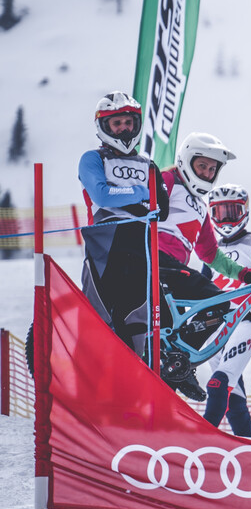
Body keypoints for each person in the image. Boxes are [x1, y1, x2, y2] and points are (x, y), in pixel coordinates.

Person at [156, 132, 251, 399]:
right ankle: (184, 365)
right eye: (202, 166)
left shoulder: (201, 208)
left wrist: (244, 273)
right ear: (185, 160)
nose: (207, 173)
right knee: (217, 301)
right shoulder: (168, 180)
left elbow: (210, 253)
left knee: (169, 339)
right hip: (155, 261)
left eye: (213, 169)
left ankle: (175, 369)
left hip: (172, 271)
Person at [78, 92, 166, 352]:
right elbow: (102, 195)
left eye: (128, 122)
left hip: (141, 244)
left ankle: (135, 372)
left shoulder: (148, 164)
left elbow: (162, 209)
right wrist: (141, 194)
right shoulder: (93, 158)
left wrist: (126, 198)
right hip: (105, 244)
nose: (124, 129)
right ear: (104, 126)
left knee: (136, 318)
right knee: (99, 316)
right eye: (117, 123)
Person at [200, 184, 251, 437]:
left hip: (247, 319)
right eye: (220, 213)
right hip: (216, 327)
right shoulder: (212, 251)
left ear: (245, 211)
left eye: (233, 211)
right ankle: (248, 445)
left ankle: (202, 435)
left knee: (219, 383)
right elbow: (200, 290)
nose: (227, 219)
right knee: (232, 394)